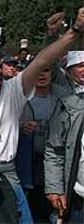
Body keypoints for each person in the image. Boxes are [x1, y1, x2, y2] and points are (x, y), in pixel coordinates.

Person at [0, 7, 84, 223]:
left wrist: (74, 30)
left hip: (4, 179)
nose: (0, 71)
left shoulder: (12, 91)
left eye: (0, 67)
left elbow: (41, 61)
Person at [16, 67, 67, 223]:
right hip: (28, 160)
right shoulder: (19, 97)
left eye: (46, 70)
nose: (41, 75)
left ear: (52, 74)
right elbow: (5, 122)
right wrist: (21, 125)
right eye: (38, 71)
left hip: (56, 161)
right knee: (30, 204)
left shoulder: (63, 97)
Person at [45, 50, 84, 223]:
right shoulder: (69, 104)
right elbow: (55, 149)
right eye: (80, 66)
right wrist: (55, 188)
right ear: (68, 70)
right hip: (78, 196)